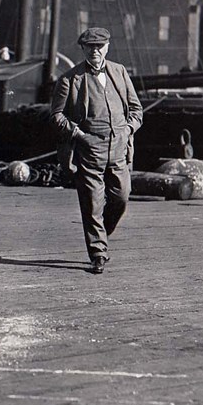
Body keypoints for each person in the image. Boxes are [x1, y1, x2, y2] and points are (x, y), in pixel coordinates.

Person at [49, 27, 144, 274]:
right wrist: (79, 135)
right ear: (83, 49)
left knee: (121, 197)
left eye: (99, 46)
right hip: (89, 149)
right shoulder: (70, 79)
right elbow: (56, 115)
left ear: (107, 47)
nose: (95, 51)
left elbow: (136, 109)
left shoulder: (120, 72)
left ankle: (101, 233)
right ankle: (98, 253)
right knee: (92, 203)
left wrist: (128, 129)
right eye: (90, 47)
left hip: (119, 148)